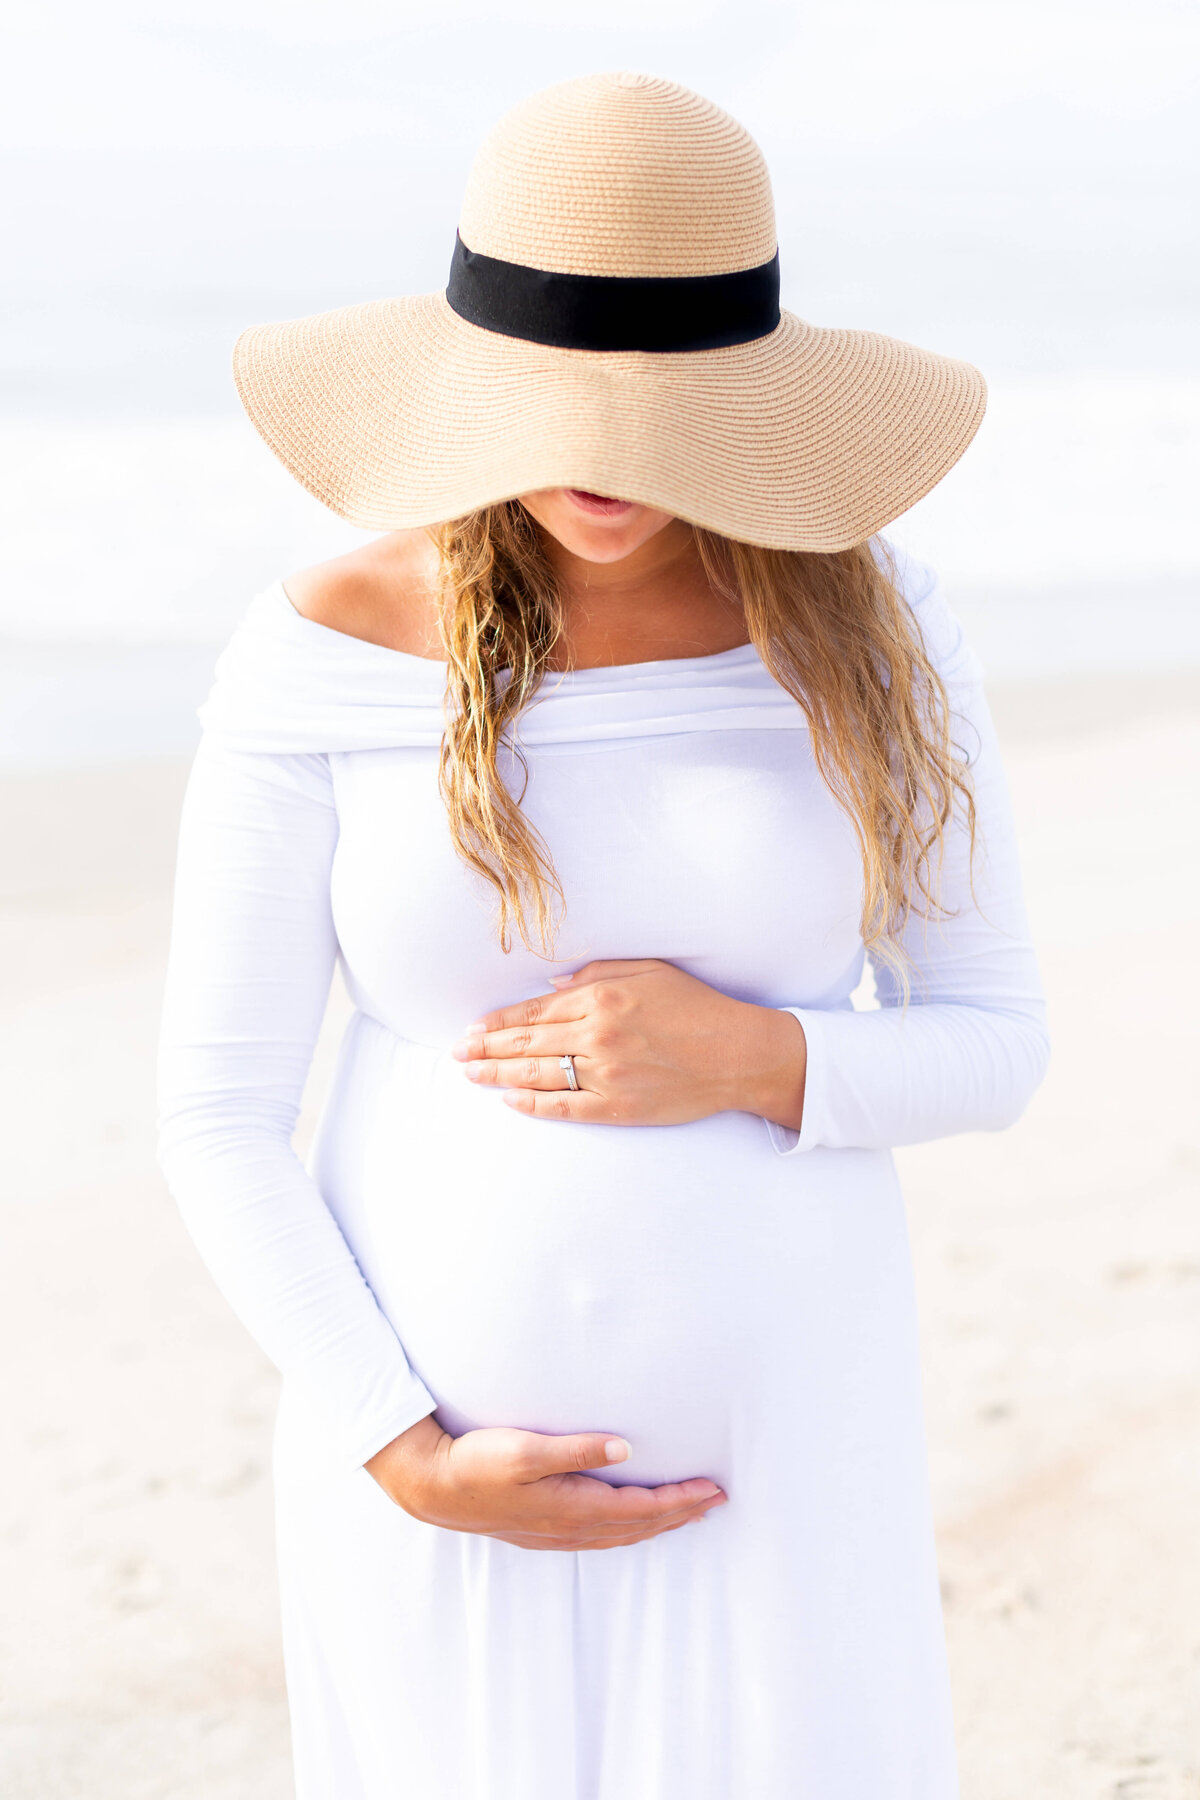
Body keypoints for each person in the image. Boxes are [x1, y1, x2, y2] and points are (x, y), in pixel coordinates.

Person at [156, 70, 1049, 1800]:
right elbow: (212, 1114)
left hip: (791, 1464)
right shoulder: (328, 640)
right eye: (556, 398)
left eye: (661, 410)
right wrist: (395, 1444)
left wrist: (757, 1054)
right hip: (430, 1476)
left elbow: (996, 1035)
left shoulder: (868, 624)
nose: (599, 463)